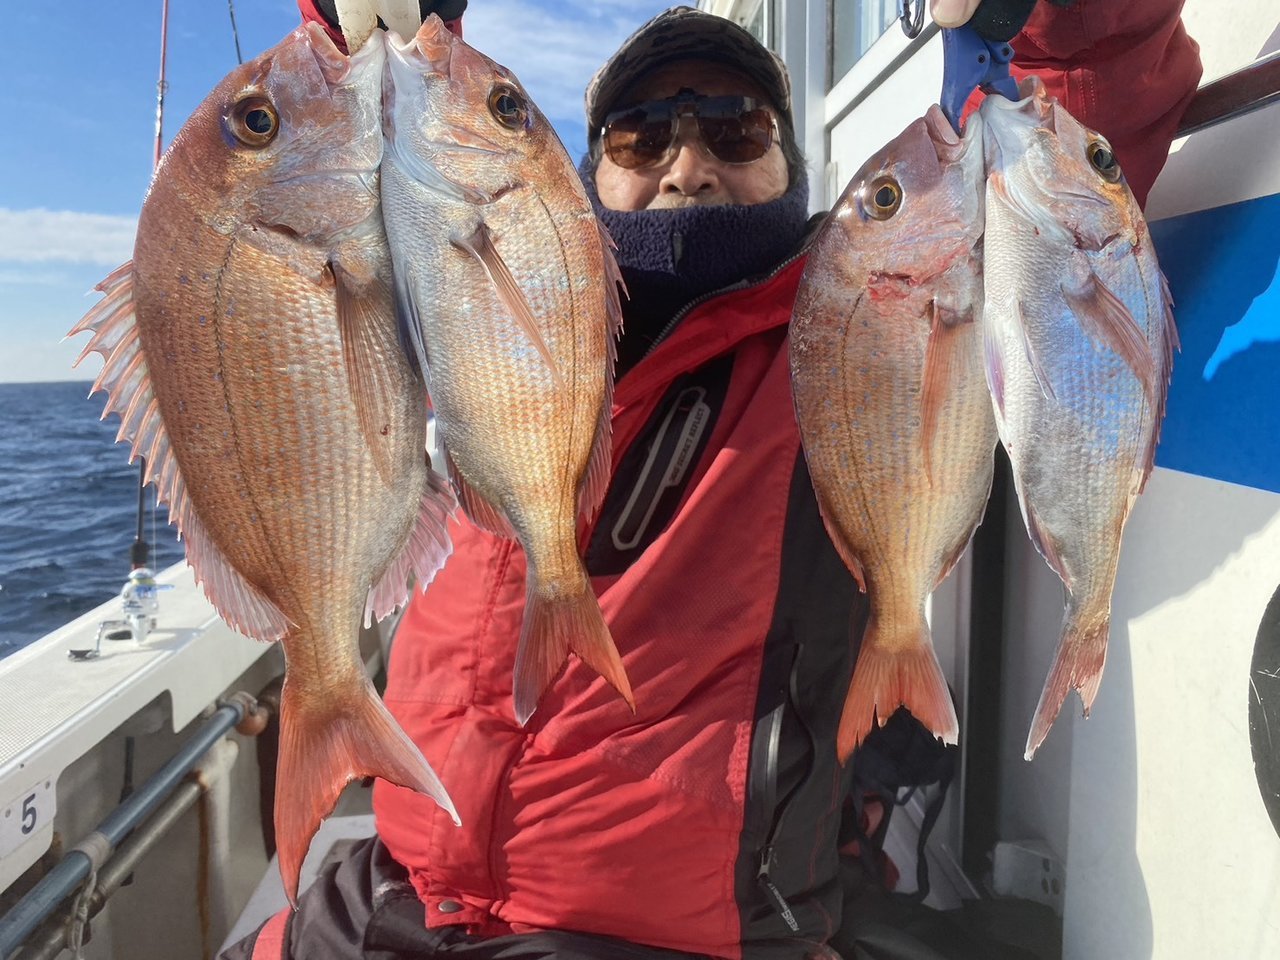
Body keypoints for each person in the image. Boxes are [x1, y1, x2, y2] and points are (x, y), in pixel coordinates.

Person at [224, 2, 1200, 958]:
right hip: (393, 894)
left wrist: (1037, 12)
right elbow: (322, 174)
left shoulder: (858, 320)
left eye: (736, 130)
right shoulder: (476, 295)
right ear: (585, 173)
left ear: (790, 167)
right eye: (640, 137)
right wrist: (352, 28)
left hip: (677, 937)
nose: (687, 166)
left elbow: (1087, 136)